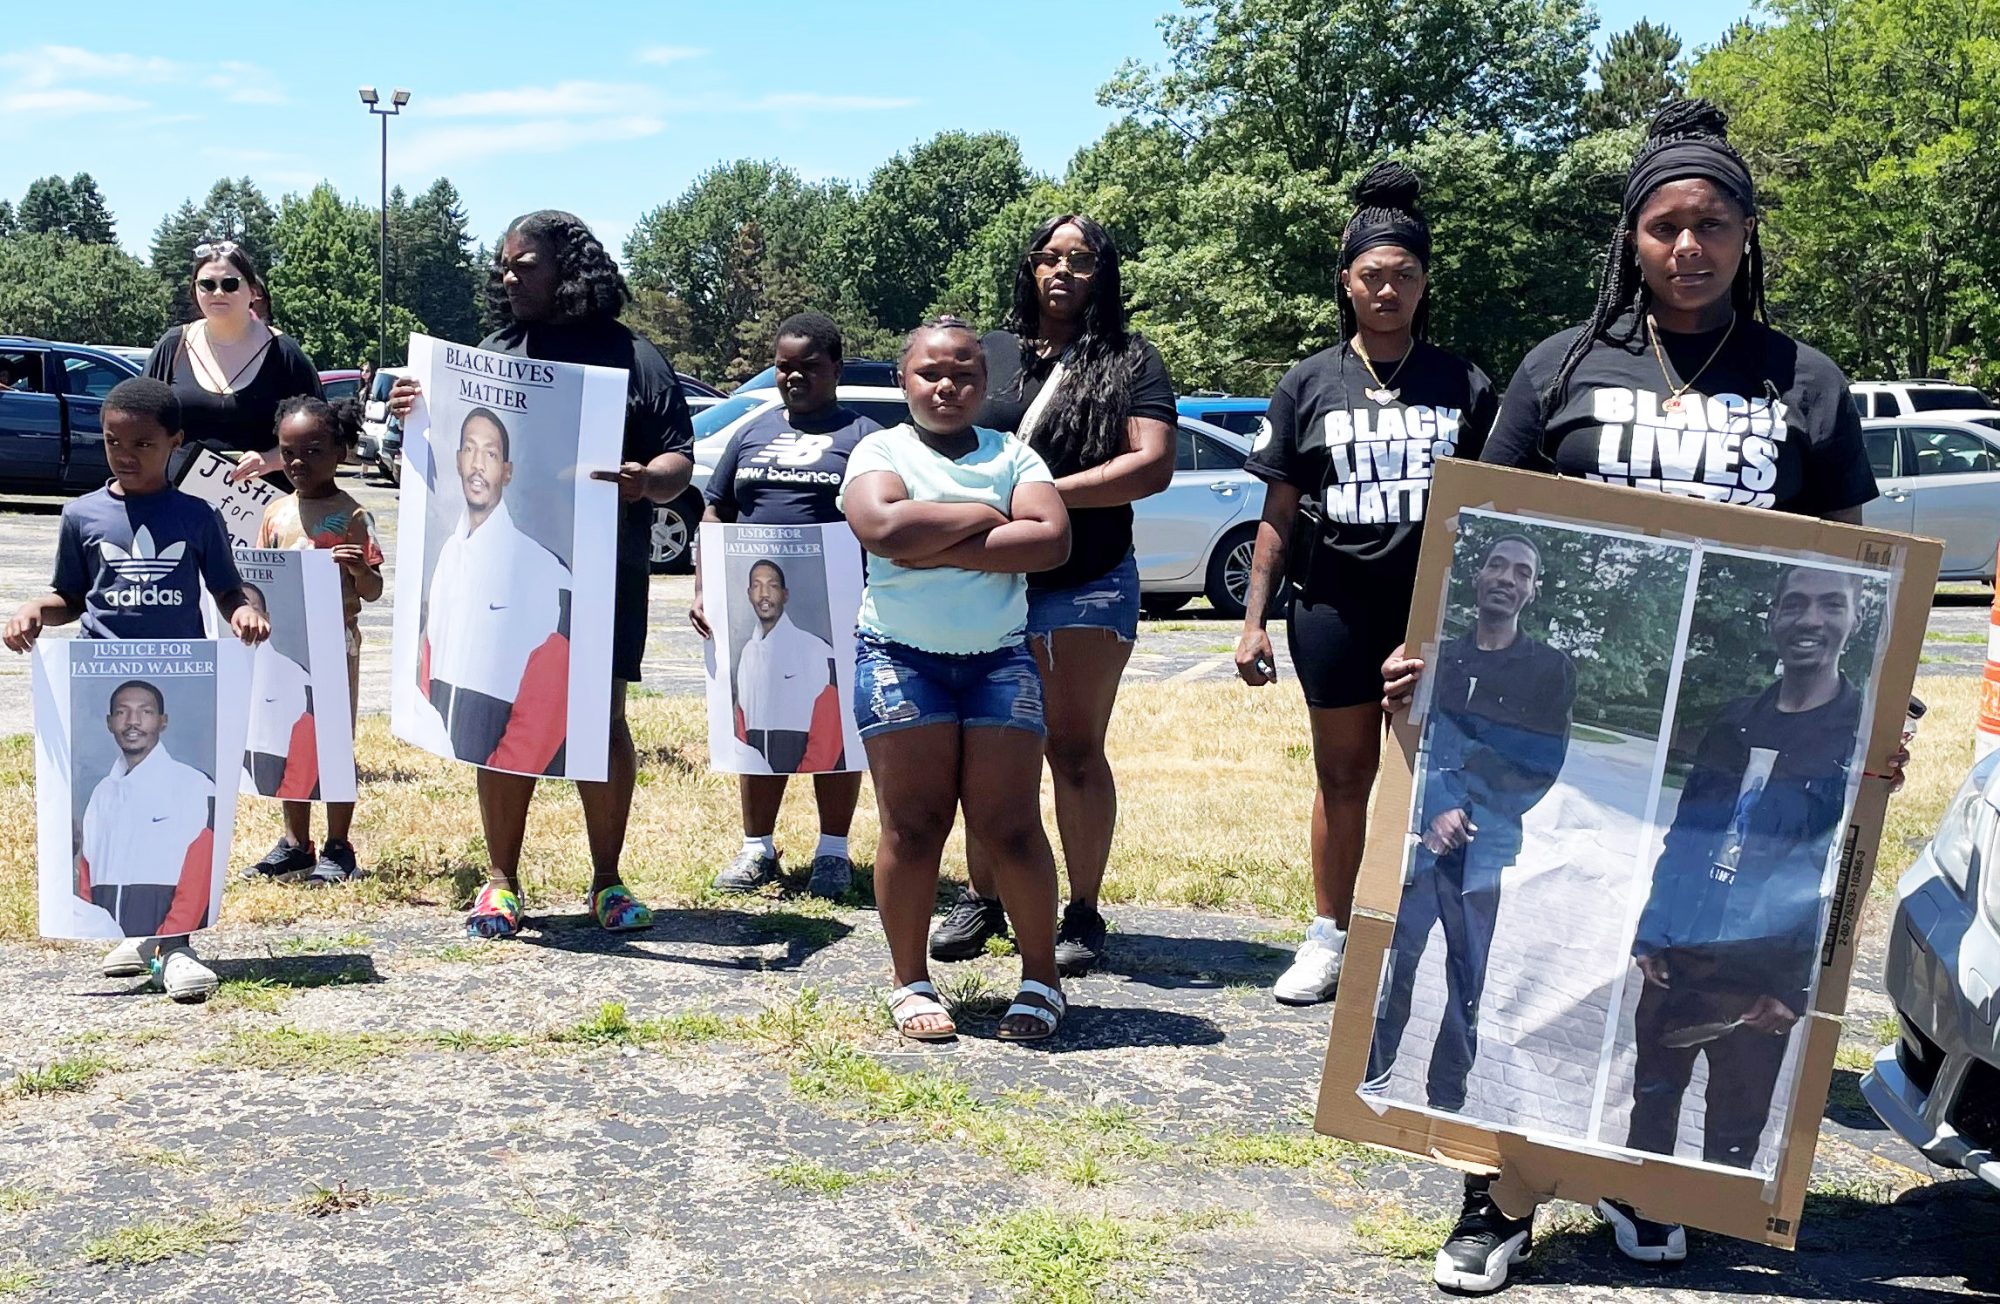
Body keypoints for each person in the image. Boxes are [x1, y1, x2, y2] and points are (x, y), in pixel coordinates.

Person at [1378, 100, 1888, 1294]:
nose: (1687, 247)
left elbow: (1854, 570)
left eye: (1711, 223)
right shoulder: (1560, 366)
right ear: (1630, 236)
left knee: (1678, 961)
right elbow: (1473, 535)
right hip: (1560, 732)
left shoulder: (1802, 380)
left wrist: (1873, 714)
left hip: (1735, 741)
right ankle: (1494, 1189)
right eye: (1663, 225)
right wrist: (1425, 655)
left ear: (1745, 232)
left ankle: (1633, 1177)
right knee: (1543, 956)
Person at [390, 209, 695, 941]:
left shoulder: (631, 356)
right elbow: (449, 448)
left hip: (599, 570)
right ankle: (501, 880)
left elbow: (678, 461)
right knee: (497, 719)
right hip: (497, 568)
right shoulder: (493, 351)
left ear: (570, 270)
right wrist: (415, 406)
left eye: (525, 264)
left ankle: (608, 880)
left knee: (601, 718)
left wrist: (644, 481)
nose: (508, 275)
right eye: (504, 264)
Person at [1236, 162, 1498, 1006]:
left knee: (1442, 780)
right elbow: (1275, 515)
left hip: (1435, 612)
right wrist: (1252, 621)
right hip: (1336, 606)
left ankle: (1440, 942)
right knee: (1343, 779)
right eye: (1372, 276)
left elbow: (1499, 507)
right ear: (1345, 282)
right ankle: (1330, 936)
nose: (1388, 290)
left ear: (1426, 285)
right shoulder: (1310, 382)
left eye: (1405, 276)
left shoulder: (1465, 384)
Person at [930, 214, 1175, 978]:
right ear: (1029, 267)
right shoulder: (992, 354)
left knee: (1071, 750)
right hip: (987, 577)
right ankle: (984, 898)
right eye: (1050, 257)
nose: (1063, 271)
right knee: (988, 748)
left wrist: (1042, 497)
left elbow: (1151, 466)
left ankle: (1084, 911)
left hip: (1086, 581)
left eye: (1082, 259)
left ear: (1105, 272)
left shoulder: (1129, 358)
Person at [839, 317, 1072, 1041]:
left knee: (1010, 826)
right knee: (913, 827)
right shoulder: (879, 450)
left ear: (987, 382)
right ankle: (910, 981)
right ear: (901, 380)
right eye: (931, 373)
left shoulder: (1016, 454)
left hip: (1000, 661)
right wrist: (981, 516)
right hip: (900, 660)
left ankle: (1042, 979)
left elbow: (1051, 541)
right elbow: (880, 530)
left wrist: (930, 538)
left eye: (965, 373)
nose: (948, 385)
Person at [4, 377, 270, 1003]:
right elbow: (70, 595)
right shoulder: (82, 514)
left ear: (175, 444)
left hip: (179, 679)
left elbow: (229, 588)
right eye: (112, 442)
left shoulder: (196, 516)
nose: (124, 455)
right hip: (102, 681)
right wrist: (34, 609)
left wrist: (242, 613)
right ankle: (132, 928)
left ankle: (175, 944)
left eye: (142, 444)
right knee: (109, 814)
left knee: (172, 812)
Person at [1621, 566, 1862, 1179]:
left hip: (1765, 964)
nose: (1812, 619)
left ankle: (1709, 1228)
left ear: (1854, 621)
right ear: (1773, 618)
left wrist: (1792, 986)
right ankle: (1640, 1205)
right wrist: (1652, 932)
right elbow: (1686, 834)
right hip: (1686, 948)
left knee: (1735, 1120)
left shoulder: (1862, 735)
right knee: (1651, 1100)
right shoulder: (1734, 722)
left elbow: (1839, 871)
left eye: (1832, 605)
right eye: (1796, 605)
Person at [1361, 535, 1574, 1109]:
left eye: (1522, 571)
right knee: (1397, 957)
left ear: (1532, 590)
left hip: (1487, 846)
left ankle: (1446, 1093)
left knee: (1466, 972)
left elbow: (1540, 764)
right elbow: (1413, 743)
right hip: (1424, 841)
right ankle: (1374, 1073)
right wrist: (1437, 807)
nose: (1507, 577)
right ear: (1477, 579)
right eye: (1497, 565)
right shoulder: (1435, 659)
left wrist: (1469, 812)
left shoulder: (1550, 670)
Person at [694, 313, 879, 899]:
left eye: (808, 367)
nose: (793, 376)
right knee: (756, 711)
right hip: (755, 602)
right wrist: (706, 586)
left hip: (838, 604)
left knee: (834, 722)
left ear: (836, 370)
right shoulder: (751, 431)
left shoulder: (865, 437)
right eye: (783, 366)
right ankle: (757, 848)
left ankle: (832, 851)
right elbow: (715, 508)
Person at [244, 395, 384, 886]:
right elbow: (259, 576)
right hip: (284, 643)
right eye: (289, 452)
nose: (299, 462)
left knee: (332, 741)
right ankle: (294, 842)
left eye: (314, 450)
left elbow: (373, 590)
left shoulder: (354, 514)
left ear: (341, 451)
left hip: (335, 642)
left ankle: (339, 844)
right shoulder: (275, 512)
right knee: (291, 736)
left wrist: (358, 568)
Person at [416, 406, 574, 772]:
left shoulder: (547, 571)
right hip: (452, 765)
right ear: (457, 461)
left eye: (490, 453)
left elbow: (546, 704)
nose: (477, 464)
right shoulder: (447, 554)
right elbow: (430, 651)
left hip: (506, 769)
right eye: (470, 449)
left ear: (507, 471)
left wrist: (501, 766)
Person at [145, 241, 322, 486]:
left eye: (229, 284)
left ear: (253, 292)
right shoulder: (172, 345)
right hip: (180, 507)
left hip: (262, 507)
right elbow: (142, 423)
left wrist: (271, 460)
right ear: (195, 290)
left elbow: (320, 432)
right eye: (207, 285)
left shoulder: (285, 353)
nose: (218, 293)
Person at [78, 680, 218, 938]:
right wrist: (96, 937)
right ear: (110, 722)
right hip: (110, 947)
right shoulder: (102, 792)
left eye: (145, 712)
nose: (133, 721)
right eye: (122, 712)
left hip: (164, 941)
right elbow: (88, 867)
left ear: (163, 721)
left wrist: (169, 938)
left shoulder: (194, 785)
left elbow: (200, 874)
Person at [730, 560, 844, 774]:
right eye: (756, 586)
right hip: (759, 778)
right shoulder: (747, 652)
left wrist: (805, 774)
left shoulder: (817, 649)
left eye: (772, 586)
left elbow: (830, 726)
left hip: (808, 777)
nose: (764, 594)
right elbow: (742, 719)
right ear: (748, 594)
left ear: (785, 594)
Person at [237, 581, 317, 799]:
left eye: (254, 608)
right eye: (239, 606)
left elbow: (303, 758)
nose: (248, 617)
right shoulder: (214, 668)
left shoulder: (296, 675)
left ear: (267, 617)